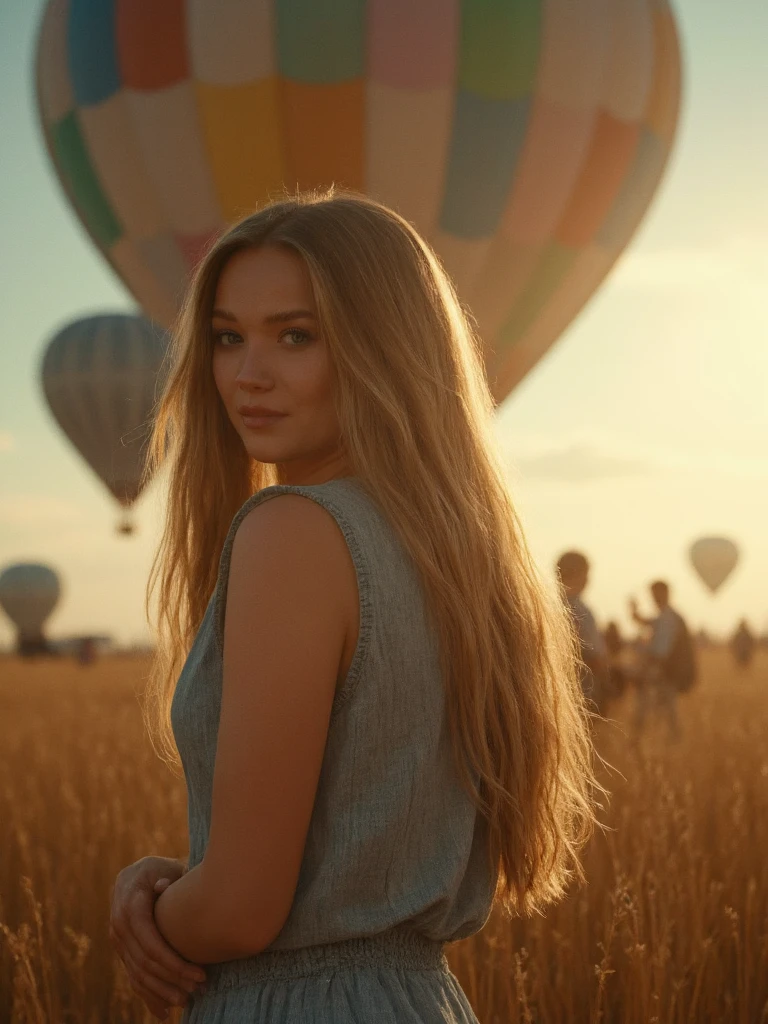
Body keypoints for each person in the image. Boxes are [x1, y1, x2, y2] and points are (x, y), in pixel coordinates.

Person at [108, 190, 600, 1024]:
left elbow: (238, 910)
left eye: (296, 336)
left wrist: (143, 906)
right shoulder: (459, 554)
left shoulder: (293, 531)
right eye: (228, 337)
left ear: (384, 348)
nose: (246, 374)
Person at [629, 580, 697, 742]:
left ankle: (641, 739)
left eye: (656, 594)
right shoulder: (667, 616)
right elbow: (646, 622)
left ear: (665, 593)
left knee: (650, 706)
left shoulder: (668, 618)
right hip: (664, 671)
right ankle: (664, 739)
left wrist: (646, 665)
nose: (654, 598)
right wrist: (634, 612)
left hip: (662, 670)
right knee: (665, 707)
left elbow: (661, 651)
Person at [556, 551, 610, 715]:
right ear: (577, 574)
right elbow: (583, 649)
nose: (588, 579)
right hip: (582, 685)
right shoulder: (573, 608)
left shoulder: (554, 605)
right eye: (585, 574)